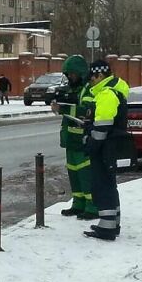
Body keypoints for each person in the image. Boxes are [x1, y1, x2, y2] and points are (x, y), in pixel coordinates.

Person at [82, 59, 130, 241]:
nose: (91, 82)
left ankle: (107, 228)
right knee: (110, 185)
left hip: (104, 147)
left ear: (100, 75)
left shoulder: (106, 94)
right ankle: (112, 223)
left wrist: (91, 145)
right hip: (113, 145)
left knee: (102, 185)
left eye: (92, 78)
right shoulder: (116, 91)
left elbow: (102, 126)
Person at [52, 55, 97, 220]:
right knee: (74, 173)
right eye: (68, 74)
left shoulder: (88, 89)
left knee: (85, 174)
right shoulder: (72, 89)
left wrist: (63, 108)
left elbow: (86, 111)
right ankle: (78, 204)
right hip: (71, 139)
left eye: (72, 74)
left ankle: (93, 206)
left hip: (82, 140)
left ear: (80, 73)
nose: (69, 77)